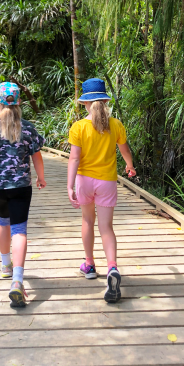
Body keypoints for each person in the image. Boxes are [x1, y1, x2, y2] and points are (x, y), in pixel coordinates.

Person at [0, 82, 46, 308]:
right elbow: (37, 157)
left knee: (2, 222)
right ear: (19, 102)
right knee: (19, 230)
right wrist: (41, 177)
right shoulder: (28, 128)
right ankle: (17, 280)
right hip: (21, 187)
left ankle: (6, 265)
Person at [67, 78, 136, 303]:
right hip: (107, 182)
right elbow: (124, 150)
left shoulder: (78, 127)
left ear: (86, 104)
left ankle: (89, 265)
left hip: (85, 181)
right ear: (105, 101)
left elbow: (74, 158)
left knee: (88, 221)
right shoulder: (115, 124)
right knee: (106, 227)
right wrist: (130, 166)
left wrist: (69, 185)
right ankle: (112, 267)